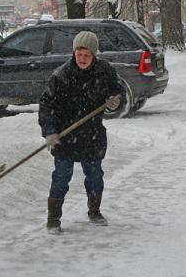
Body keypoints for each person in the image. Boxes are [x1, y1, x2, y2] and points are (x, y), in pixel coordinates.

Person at [39, 31, 124, 233]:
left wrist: (115, 101)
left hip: (92, 135)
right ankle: (53, 218)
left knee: (95, 176)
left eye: (87, 55)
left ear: (94, 55)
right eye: (79, 55)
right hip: (65, 135)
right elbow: (46, 105)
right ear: (74, 53)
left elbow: (117, 90)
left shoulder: (105, 71)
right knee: (61, 177)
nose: (82, 59)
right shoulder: (61, 75)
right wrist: (49, 131)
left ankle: (94, 210)